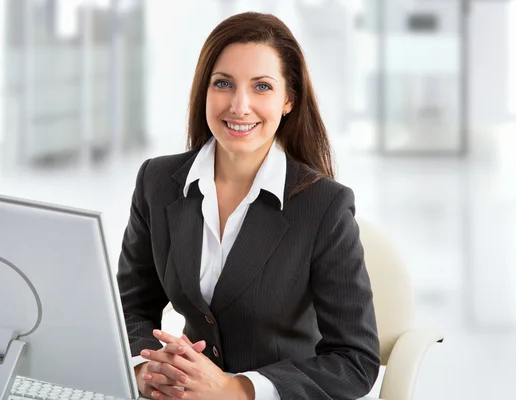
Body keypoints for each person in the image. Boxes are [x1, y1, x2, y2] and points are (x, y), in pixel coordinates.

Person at [117, 11, 380, 400]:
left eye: (261, 87)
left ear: (288, 99)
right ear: (204, 90)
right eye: (223, 83)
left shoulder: (325, 206)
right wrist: (147, 369)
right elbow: (129, 308)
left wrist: (237, 388)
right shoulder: (158, 183)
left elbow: (355, 361)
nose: (239, 106)